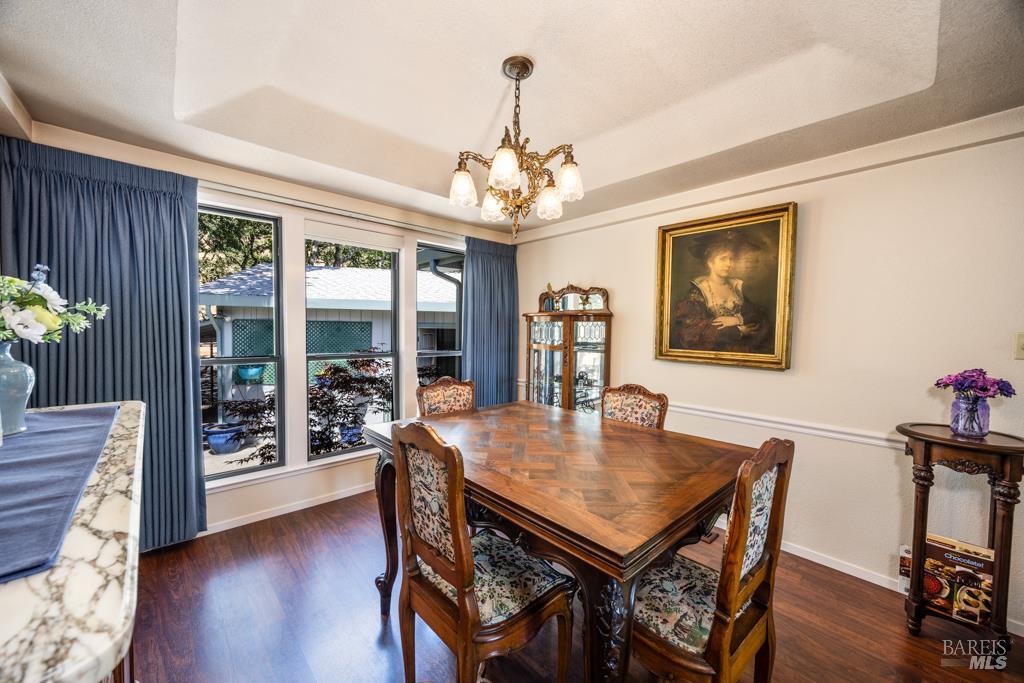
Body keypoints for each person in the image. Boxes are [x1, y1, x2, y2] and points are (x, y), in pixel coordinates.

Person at [673, 230, 771, 353]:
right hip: (716, 354)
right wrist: (739, 331)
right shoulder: (697, 293)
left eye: (732, 259)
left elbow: (757, 314)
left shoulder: (736, 287)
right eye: (723, 259)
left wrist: (738, 319)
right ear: (710, 262)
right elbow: (693, 331)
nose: (729, 264)